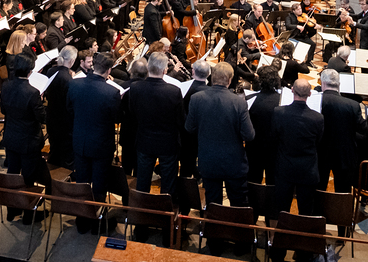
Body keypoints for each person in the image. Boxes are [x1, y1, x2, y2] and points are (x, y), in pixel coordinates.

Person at [185, 62, 254, 207]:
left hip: (208, 160)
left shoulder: (196, 98)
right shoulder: (239, 102)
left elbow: (189, 128)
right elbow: (249, 135)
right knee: (238, 204)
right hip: (234, 162)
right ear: (229, 80)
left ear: (212, 77)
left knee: (213, 204)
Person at [66, 52, 121, 232]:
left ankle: (82, 221)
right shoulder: (112, 92)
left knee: (82, 182)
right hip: (101, 145)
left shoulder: (74, 84)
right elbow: (117, 118)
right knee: (99, 184)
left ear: (93, 66)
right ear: (109, 70)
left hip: (80, 141)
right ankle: (97, 221)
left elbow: (69, 109)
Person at [271, 78, 325, 258]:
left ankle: (278, 253)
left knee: (282, 211)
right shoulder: (317, 118)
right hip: (307, 171)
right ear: (310, 94)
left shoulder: (279, 112)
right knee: (305, 213)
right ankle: (303, 254)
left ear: (292, 91)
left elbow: (275, 137)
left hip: (285, 168)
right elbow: (318, 142)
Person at [0, 52, 51, 222]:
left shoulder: (5, 86)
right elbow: (41, 117)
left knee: (13, 174)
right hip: (29, 141)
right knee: (29, 178)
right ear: (30, 72)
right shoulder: (32, 92)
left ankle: (12, 210)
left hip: (11, 137)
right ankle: (29, 215)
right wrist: (41, 102)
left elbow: (3, 110)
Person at [130, 53, 183, 202]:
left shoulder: (135, 88)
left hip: (144, 140)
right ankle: (165, 213)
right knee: (168, 184)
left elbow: (133, 113)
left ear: (148, 67)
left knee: (142, 181)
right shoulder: (174, 91)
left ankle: (141, 212)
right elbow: (180, 120)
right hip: (168, 143)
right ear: (165, 70)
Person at [317, 69, 364, 198]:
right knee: (342, 192)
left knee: (318, 189)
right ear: (339, 84)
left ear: (323, 83)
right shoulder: (353, 105)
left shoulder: (317, 101)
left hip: (321, 151)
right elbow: (361, 128)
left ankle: (318, 210)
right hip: (344, 153)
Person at [246, 64, 282, 184]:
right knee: (273, 183)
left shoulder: (249, 99)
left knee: (253, 181)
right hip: (275, 149)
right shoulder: (283, 101)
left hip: (254, 148)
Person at [46, 46, 77, 168]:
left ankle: (51, 173)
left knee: (54, 149)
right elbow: (70, 101)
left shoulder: (50, 71)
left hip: (51, 115)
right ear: (72, 61)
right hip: (64, 120)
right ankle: (64, 176)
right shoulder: (68, 79)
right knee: (66, 152)